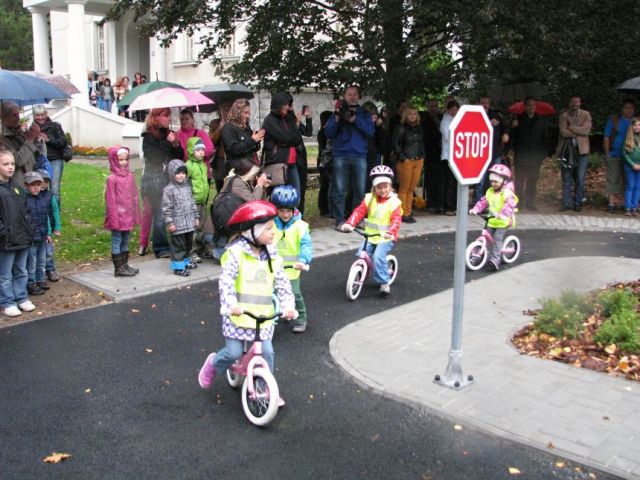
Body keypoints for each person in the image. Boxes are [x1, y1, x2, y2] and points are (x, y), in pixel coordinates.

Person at [197, 200, 296, 402]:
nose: (273, 232)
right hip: (238, 315)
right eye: (268, 228)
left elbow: (283, 284)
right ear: (252, 231)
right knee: (233, 352)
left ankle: (268, 388)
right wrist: (230, 304)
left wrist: (288, 307)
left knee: (267, 352)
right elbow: (226, 281)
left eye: (274, 227)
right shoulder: (236, 253)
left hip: (263, 316)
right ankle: (213, 365)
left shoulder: (273, 255)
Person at [340, 165, 402, 297]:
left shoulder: (394, 202)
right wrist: (350, 224)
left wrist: (390, 232)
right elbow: (359, 211)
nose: (382, 190)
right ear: (374, 188)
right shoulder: (369, 199)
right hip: (370, 235)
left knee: (378, 256)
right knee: (362, 252)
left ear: (390, 186)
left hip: (386, 237)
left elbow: (396, 220)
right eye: (379, 187)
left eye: (385, 186)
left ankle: (384, 282)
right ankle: (364, 271)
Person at [325, 85, 375, 229]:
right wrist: (336, 117)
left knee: (360, 190)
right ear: (344, 96)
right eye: (349, 94)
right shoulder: (338, 113)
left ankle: (356, 219)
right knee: (339, 190)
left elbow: (370, 132)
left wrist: (354, 120)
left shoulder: (364, 113)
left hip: (359, 155)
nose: (352, 97)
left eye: (354, 94)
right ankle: (339, 220)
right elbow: (328, 133)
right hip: (341, 155)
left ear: (358, 96)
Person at [139, 108, 184, 257]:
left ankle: (173, 243)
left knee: (170, 213)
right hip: (155, 182)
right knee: (159, 215)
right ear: (156, 117)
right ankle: (160, 247)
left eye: (169, 116)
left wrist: (176, 144)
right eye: (165, 116)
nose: (169, 119)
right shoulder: (149, 137)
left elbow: (179, 156)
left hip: (169, 179)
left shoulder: (168, 134)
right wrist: (167, 142)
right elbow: (154, 158)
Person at [0, 148, 36, 317]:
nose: (10, 167)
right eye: (5, 164)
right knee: (5, 274)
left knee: (21, 270)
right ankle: (7, 301)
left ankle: (21, 297)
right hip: (6, 240)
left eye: (12, 163)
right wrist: (5, 232)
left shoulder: (17, 188)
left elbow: (26, 211)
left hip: (22, 237)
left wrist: (29, 228)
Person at [272, 185, 312, 333]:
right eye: (281, 210)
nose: (285, 214)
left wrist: (303, 260)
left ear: (294, 209)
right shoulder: (271, 224)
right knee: (272, 294)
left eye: (288, 211)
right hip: (274, 269)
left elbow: (306, 245)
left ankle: (301, 318)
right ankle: (271, 319)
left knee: (295, 293)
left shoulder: (300, 226)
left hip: (292, 269)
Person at [469, 164, 518, 271]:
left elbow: (509, 205)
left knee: (497, 239)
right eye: (492, 181)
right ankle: (480, 251)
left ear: (503, 181)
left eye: (496, 181)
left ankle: (496, 260)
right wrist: (476, 209)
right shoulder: (490, 192)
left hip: (502, 222)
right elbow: (483, 202)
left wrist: (503, 214)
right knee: (486, 235)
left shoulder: (506, 194)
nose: (493, 184)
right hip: (492, 220)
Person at [510, 97, 552, 210]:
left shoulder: (541, 120)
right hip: (521, 155)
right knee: (519, 181)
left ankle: (530, 202)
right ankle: (519, 202)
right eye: (529, 105)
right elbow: (512, 137)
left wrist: (543, 153)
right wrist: (513, 127)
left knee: (532, 180)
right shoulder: (518, 119)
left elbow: (545, 138)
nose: (531, 107)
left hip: (535, 156)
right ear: (525, 106)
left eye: (533, 105)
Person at [104, 146, 141, 277]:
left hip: (128, 215)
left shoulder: (130, 177)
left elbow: (135, 196)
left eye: (126, 159)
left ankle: (125, 265)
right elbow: (111, 201)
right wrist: (114, 219)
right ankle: (118, 268)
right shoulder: (112, 179)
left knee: (126, 239)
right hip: (118, 216)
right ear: (114, 160)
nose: (124, 162)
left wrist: (135, 214)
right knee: (117, 240)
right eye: (120, 160)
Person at [161, 159, 199, 276]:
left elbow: (192, 203)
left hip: (189, 223)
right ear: (172, 174)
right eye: (178, 173)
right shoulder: (168, 190)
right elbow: (166, 208)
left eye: (183, 173)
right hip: (177, 225)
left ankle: (186, 261)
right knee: (178, 246)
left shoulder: (187, 188)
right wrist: (170, 223)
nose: (181, 176)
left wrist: (196, 217)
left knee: (187, 245)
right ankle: (178, 267)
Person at [261, 92, 303, 196]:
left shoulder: (288, 118)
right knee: (278, 198)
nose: (287, 107)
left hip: (292, 164)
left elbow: (297, 139)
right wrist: (289, 139)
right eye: (285, 104)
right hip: (278, 164)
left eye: (289, 104)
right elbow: (286, 138)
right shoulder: (269, 120)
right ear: (279, 104)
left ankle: (292, 213)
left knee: (295, 197)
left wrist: (289, 138)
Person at [555, 96, 592, 212]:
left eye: (578, 102)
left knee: (580, 179)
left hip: (582, 152)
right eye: (573, 102)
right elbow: (563, 132)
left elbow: (586, 130)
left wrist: (571, 128)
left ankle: (578, 203)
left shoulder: (586, 114)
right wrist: (577, 131)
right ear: (569, 103)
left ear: (580, 103)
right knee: (566, 179)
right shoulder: (564, 116)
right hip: (566, 151)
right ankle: (566, 203)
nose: (575, 104)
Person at [472, 96, 509, 205]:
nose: (485, 105)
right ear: (478, 103)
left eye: (487, 103)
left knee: (494, 180)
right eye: (483, 103)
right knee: (480, 181)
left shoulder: (496, 115)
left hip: (495, 153)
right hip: (480, 154)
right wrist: (488, 122)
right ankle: (478, 204)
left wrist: (505, 134)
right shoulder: (474, 115)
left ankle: (492, 203)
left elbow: (504, 127)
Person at [32, 105, 70, 205]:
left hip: (55, 160)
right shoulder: (32, 129)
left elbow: (63, 142)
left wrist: (48, 140)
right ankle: (45, 211)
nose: (40, 118)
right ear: (34, 116)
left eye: (42, 115)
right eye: (37, 115)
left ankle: (55, 214)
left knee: (54, 189)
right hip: (39, 161)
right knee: (40, 187)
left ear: (46, 114)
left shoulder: (55, 126)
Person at [393, 107, 425, 223]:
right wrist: (403, 158)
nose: (412, 116)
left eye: (415, 114)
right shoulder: (401, 128)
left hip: (418, 159)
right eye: (410, 114)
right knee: (404, 188)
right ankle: (402, 213)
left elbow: (421, 144)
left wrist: (422, 156)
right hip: (406, 160)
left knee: (412, 188)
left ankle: (408, 212)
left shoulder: (419, 128)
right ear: (405, 116)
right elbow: (396, 144)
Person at [604, 99, 636, 213]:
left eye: (631, 108)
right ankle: (611, 203)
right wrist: (607, 153)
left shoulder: (636, 122)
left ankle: (625, 203)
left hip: (631, 157)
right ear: (622, 109)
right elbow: (606, 137)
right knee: (612, 179)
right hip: (614, 154)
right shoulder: (614, 120)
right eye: (627, 107)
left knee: (628, 181)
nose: (629, 110)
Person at [24, 171, 52, 296]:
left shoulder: (44, 198)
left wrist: (47, 233)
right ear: (26, 186)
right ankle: (31, 282)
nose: (36, 187)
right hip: (31, 236)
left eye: (38, 184)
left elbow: (46, 217)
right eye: (33, 185)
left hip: (42, 234)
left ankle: (40, 278)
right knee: (32, 261)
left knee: (41, 259)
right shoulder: (24, 200)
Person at [1, 101, 39, 188]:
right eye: (14, 115)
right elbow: (17, 160)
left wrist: (37, 138)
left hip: (30, 181)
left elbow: (35, 154)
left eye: (18, 114)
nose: (18, 118)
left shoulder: (19, 132)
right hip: (15, 184)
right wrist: (30, 140)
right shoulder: (3, 138)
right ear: (4, 117)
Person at [221, 98, 263, 172]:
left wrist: (257, 140)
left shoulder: (245, 127)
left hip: (250, 168)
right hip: (237, 171)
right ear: (237, 112)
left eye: (249, 113)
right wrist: (253, 140)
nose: (248, 116)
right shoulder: (228, 128)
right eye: (245, 113)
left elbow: (251, 148)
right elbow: (234, 149)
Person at [185, 138, 211, 260]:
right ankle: (192, 251)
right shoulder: (188, 166)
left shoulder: (203, 165)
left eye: (202, 150)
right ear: (191, 151)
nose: (201, 152)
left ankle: (200, 248)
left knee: (201, 226)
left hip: (202, 200)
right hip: (193, 201)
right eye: (198, 150)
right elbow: (185, 183)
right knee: (193, 226)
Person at [35, 169, 61, 283]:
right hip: (39, 228)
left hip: (48, 227)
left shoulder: (50, 195)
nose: (44, 183)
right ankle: (39, 272)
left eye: (46, 181)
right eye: (42, 180)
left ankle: (50, 269)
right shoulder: (34, 195)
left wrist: (57, 227)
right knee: (39, 253)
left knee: (49, 251)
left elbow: (55, 211)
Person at [438, 99, 460, 215]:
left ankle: (455, 206)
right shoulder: (445, 121)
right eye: (452, 110)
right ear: (448, 110)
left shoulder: (461, 119)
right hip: (448, 156)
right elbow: (448, 137)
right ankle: (448, 207)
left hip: (458, 156)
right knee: (449, 182)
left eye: (456, 110)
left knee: (456, 182)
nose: (454, 112)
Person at [176, 108, 215, 172]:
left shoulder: (201, 133)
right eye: (182, 119)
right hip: (183, 172)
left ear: (193, 120)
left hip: (200, 173)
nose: (184, 121)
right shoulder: (176, 135)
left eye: (187, 119)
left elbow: (210, 149)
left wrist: (194, 153)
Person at [420, 99, 442, 211]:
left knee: (439, 180)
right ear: (427, 107)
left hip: (440, 153)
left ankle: (438, 202)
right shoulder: (424, 119)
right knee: (430, 179)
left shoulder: (440, 117)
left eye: (435, 106)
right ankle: (431, 203)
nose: (434, 108)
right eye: (431, 106)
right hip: (430, 153)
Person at [296, 104, 313, 216]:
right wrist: (296, 124)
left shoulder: (294, 120)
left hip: (301, 158)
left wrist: (308, 118)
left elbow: (308, 132)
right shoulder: (281, 122)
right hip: (290, 161)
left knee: (301, 188)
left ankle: (300, 216)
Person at [316, 110, 334, 217]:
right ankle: (324, 208)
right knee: (326, 185)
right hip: (325, 161)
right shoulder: (324, 132)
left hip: (323, 161)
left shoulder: (322, 131)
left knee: (325, 185)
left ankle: (324, 208)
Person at [621, 117, 640, 216]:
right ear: (631, 127)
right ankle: (628, 207)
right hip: (630, 167)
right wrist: (633, 164)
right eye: (635, 125)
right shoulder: (628, 138)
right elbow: (624, 153)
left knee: (638, 187)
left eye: (639, 125)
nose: (637, 127)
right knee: (630, 186)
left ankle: (634, 207)